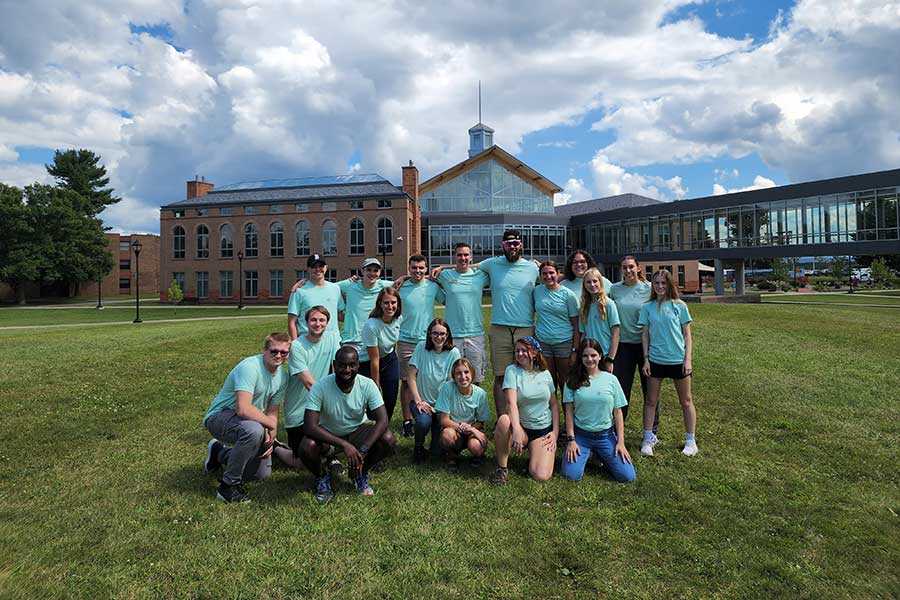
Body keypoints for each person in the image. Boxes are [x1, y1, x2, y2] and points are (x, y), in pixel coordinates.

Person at [300, 346, 396, 502]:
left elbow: (383, 420)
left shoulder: (367, 384)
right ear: (334, 365)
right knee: (307, 446)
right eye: (342, 365)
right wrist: (345, 445)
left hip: (357, 430)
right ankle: (322, 478)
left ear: (358, 365)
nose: (347, 369)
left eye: (352, 365)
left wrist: (363, 451)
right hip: (329, 435)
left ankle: (360, 474)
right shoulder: (320, 386)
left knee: (388, 439)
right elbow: (310, 426)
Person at [203, 333, 290, 503]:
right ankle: (228, 487)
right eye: (274, 351)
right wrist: (269, 425)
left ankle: (219, 453)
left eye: (284, 352)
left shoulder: (283, 377)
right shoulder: (250, 367)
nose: (278, 356)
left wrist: (271, 433)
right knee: (253, 430)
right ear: (265, 350)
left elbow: (272, 410)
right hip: (220, 416)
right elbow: (243, 408)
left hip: (251, 420)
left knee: (259, 474)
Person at [475, 229, 540, 415]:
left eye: (516, 244)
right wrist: (441, 268)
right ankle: (503, 419)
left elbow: (553, 278)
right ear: (502, 245)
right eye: (508, 244)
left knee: (526, 374)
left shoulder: (532, 268)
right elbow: (467, 266)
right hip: (499, 328)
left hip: (525, 328)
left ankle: (525, 418)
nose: (512, 247)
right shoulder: (492, 264)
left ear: (521, 245)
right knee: (501, 376)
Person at [273, 306, 341, 472]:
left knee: (329, 431)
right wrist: (332, 400)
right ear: (306, 322)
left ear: (327, 323)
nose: (317, 324)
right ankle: (277, 448)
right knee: (302, 463)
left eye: (322, 320)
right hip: (298, 410)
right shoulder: (296, 347)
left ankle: (331, 456)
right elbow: (309, 384)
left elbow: (339, 368)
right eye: (313, 320)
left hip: (320, 406)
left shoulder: (332, 338)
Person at [560, 338, 635, 483]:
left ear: (600, 356)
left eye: (593, 355)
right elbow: (568, 412)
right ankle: (589, 453)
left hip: (605, 436)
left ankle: (600, 454)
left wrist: (621, 443)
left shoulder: (611, 380)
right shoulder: (572, 380)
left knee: (628, 476)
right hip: (581, 435)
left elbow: (618, 413)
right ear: (580, 358)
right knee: (571, 475)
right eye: (585, 356)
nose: (589, 359)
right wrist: (571, 440)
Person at [639, 269, 697, 457]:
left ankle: (691, 440)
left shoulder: (679, 306)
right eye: (656, 283)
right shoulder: (647, 307)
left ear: (670, 284)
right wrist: (646, 359)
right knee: (650, 401)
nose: (660, 286)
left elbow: (687, 335)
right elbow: (645, 334)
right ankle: (648, 438)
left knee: (686, 401)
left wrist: (687, 360)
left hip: (678, 360)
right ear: (652, 286)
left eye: (664, 283)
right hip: (656, 360)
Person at [492, 337, 558, 485]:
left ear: (534, 353)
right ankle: (502, 468)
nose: (520, 354)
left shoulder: (545, 374)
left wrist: (555, 433)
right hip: (521, 428)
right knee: (503, 420)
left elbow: (554, 404)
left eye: (524, 350)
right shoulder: (512, 371)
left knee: (541, 475)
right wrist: (516, 429)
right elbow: (511, 402)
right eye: (517, 351)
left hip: (542, 430)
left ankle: (536, 452)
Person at [396, 254, 445, 438]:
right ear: (409, 268)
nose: (418, 271)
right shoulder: (401, 287)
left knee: (430, 378)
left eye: (421, 268)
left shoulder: (432, 287)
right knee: (406, 381)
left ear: (426, 269)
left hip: (428, 341)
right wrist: (403, 278)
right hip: (406, 340)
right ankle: (407, 421)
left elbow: (447, 299)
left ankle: (434, 415)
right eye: (414, 268)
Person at [434, 242, 490, 385]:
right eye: (459, 255)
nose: (463, 258)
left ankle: (473, 406)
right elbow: (423, 277)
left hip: (475, 334)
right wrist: (403, 278)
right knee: (452, 377)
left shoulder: (481, 276)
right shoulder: (445, 276)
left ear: (471, 257)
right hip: (453, 334)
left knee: (475, 378)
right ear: (454, 256)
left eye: (466, 255)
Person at [407, 318, 461, 463]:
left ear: (448, 335)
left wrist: (439, 407)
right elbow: (411, 376)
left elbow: (452, 383)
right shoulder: (420, 348)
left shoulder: (454, 353)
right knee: (423, 422)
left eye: (443, 334)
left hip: (441, 406)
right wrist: (419, 401)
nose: (439, 337)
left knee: (436, 453)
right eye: (435, 333)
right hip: (422, 402)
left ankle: (440, 446)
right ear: (430, 334)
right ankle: (418, 446)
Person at [609, 255, 654, 425]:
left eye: (631, 267)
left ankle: (651, 431)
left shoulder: (649, 288)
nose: (628, 271)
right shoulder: (615, 289)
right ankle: (617, 428)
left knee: (649, 390)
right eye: (624, 267)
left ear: (638, 268)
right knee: (621, 390)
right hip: (623, 346)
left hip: (646, 346)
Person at [533, 260, 580, 391]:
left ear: (558, 274)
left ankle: (568, 411)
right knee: (548, 382)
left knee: (566, 383)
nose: (548, 276)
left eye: (551, 273)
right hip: (543, 343)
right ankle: (551, 411)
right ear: (540, 276)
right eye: (544, 274)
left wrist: (575, 351)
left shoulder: (568, 295)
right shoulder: (536, 292)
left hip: (564, 343)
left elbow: (576, 326)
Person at [435, 358, 491, 467]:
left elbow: (481, 421)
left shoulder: (480, 394)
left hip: (473, 429)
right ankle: (451, 456)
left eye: (466, 372)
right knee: (447, 435)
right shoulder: (447, 388)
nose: (463, 376)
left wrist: (472, 429)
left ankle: (478, 456)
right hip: (454, 428)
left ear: (472, 373)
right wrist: (464, 427)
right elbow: (444, 420)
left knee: (476, 445)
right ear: (454, 377)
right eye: (458, 373)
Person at [359, 287, 402, 422]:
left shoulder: (398, 319)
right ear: (380, 304)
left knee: (390, 396)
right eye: (386, 303)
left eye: (393, 302)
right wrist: (375, 384)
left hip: (389, 357)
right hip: (368, 362)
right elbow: (374, 359)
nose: (390, 306)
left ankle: (384, 426)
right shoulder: (372, 325)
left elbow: (391, 342)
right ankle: (371, 425)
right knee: (373, 397)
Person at [338, 258, 394, 352]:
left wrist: (425, 277)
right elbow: (325, 286)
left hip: (374, 340)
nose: (372, 274)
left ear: (380, 272)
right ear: (362, 271)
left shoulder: (383, 286)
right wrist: (306, 282)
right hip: (352, 341)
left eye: (375, 270)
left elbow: (406, 283)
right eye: (368, 270)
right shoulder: (350, 285)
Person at [287, 254, 344, 341]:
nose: (318, 269)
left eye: (320, 266)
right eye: (314, 266)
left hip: (332, 342)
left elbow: (339, 315)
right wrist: (295, 345)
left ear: (326, 268)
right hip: (307, 341)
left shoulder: (335, 289)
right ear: (308, 269)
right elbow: (292, 322)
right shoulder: (299, 291)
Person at [580, 267, 620, 370]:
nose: (592, 285)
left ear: (600, 283)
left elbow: (615, 334)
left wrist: (610, 359)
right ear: (584, 285)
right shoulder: (584, 307)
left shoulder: (609, 304)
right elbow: (583, 334)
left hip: (605, 355)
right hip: (589, 355)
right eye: (588, 282)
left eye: (595, 281)